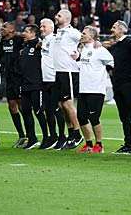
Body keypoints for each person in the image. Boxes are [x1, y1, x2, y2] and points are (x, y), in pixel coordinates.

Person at [76, 26, 114, 154]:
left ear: (91, 37)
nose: (81, 35)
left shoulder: (100, 49)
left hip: (96, 90)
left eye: (84, 33)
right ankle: (88, 144)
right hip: (83, 89)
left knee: (94, 118)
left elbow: (113, 62)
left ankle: (99, 144)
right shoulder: (82, 49)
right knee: (81, 117)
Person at [52, 9, 83, 149]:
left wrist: (80, 53)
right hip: (57, 72)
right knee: (61, 105)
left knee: (68, 104)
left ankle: (77, 134)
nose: (56, 17)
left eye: (59, 15)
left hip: (68, 71)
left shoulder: (73, 32)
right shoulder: (57, 33)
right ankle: (71, 133)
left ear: (67, 18)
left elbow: (88, 39)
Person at [107, 20, 131, 153]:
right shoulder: (115, 47)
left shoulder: (130, 44)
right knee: (123, 116)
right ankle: (128, 143)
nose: (112, 29)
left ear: (123, 30)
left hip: (128, 84)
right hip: (117, 84)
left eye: (114, 27)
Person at [18, 24, 50, 149]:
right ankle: (32, 138)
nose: (23, 34)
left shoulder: (40, 45)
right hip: (25, 85)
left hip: (37, 85)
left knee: (39, 111)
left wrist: (41, 44)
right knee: (25, 112)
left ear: (33, 33)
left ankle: (47, 138)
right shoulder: (24, 48)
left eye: (26, 31)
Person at [0, 22, 27, 148]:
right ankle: (21, 135)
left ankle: (29, 135)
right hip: (8, 78)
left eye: (5, 27)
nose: (2, 29)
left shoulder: (18, 39)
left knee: (22, 106)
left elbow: (30, 38)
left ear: (11, 29)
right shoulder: (2, 42)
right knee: (11, 106)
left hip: (19, 78)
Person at [40, 18, 64, 149]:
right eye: (40, 26)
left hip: (54, 79)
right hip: (44, 80)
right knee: (48, 110)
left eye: (44, 26)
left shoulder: (55, 39)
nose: (41, 28)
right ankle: (53, 136)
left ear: (51, 27)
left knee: (56, 109)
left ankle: (62, 136)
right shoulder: (44, 41)